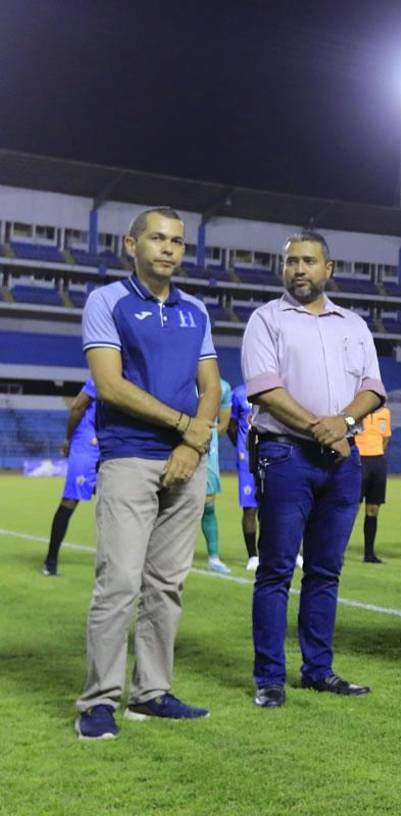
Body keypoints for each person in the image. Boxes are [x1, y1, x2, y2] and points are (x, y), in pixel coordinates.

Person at [75, 206, 219, 740]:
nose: (168, 249)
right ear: (130, 245)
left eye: (177, 242)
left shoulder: (196, 310)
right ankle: (98, 702)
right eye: (157, 238)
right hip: (130, 456)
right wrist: (187, 428)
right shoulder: (106, 301)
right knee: (118, 584)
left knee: (167, 585)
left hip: (188, 461)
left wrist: (192, 442)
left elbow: (211, 386)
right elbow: (109, 386)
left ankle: (152, 693)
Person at [242, 230, 385, 708]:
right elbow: (264, 389)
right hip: (284, 455)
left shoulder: (354, 325)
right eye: (291, 262)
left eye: (308, 261)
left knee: (326, 571)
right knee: (277, 569)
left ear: (329, 269)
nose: (299, 269)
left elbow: (372, 388)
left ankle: (318, 671)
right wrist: (324, 428)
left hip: (342, 461)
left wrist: (344, 422)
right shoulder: (266, 319)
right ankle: (269, 678)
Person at [42, 378, 100, 576]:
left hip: (112, 441)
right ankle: (50, 562)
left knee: (121, 503)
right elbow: (77, 406)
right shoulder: (103, 371)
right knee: (70, 500)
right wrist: (69, 438)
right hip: (88, 441)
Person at [226, 382, 265, 571]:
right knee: (250, 508)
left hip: (270, 455)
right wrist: (242, 449)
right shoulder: (239, 393)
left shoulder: (271, 390)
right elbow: (231, 427)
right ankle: (253, 556)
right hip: (247, 459)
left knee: (276, 507)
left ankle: (277, 553)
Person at [354, 404, 393, 563]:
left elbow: (386, 437)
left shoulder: (385, 412)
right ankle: (337, 551)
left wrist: (377, 452)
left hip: (377, 461)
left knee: (373, 509)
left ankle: (369, 554)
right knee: (351, 508)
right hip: (359, 460)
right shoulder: (357, 410)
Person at [202, 377, 233, 574]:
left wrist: (208, 436)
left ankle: (213, 558)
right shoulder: (181, 377)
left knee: (208, 505)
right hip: (174, 446)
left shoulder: (222, 386)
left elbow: (223, 424)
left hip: (208, 453)